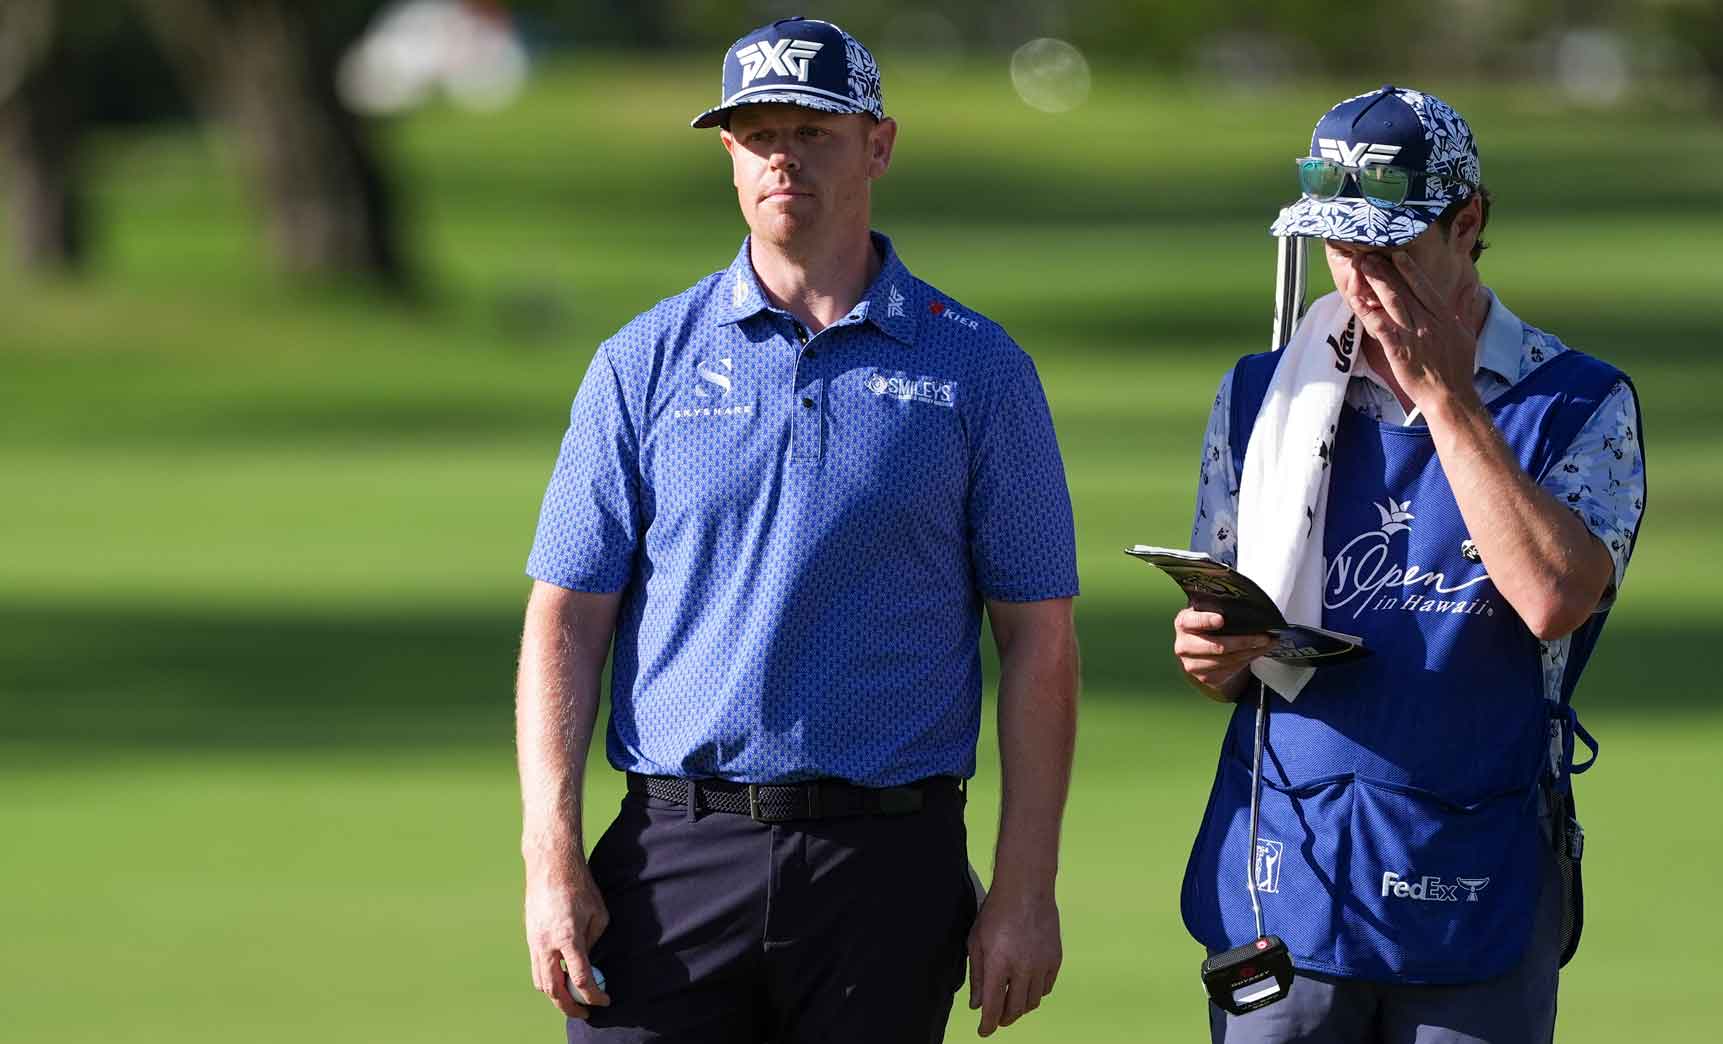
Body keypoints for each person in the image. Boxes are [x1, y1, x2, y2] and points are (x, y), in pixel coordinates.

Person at [514, 17, 1079, 1044]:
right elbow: (565, 620)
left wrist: (1024, 889)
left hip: (886, 865)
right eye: (756, 132)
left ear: (878, 145)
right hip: (671, 854)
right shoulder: (641, 362)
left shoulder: (978, 370)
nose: (783, 155)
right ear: (727, 152)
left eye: (813, 131)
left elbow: (1038, 638)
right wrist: (550, 858)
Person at [1172, 86, 1646, 1044]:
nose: (1361, 278)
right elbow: (1243, 630)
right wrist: (1216, 657)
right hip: (1287, 870)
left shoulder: (1578, 402)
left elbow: (1555, 597)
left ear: (1468, 223)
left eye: (1389, 246)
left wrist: (1449, 399)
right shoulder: (1261, 394)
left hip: (1478, 869)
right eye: (1339, 248)